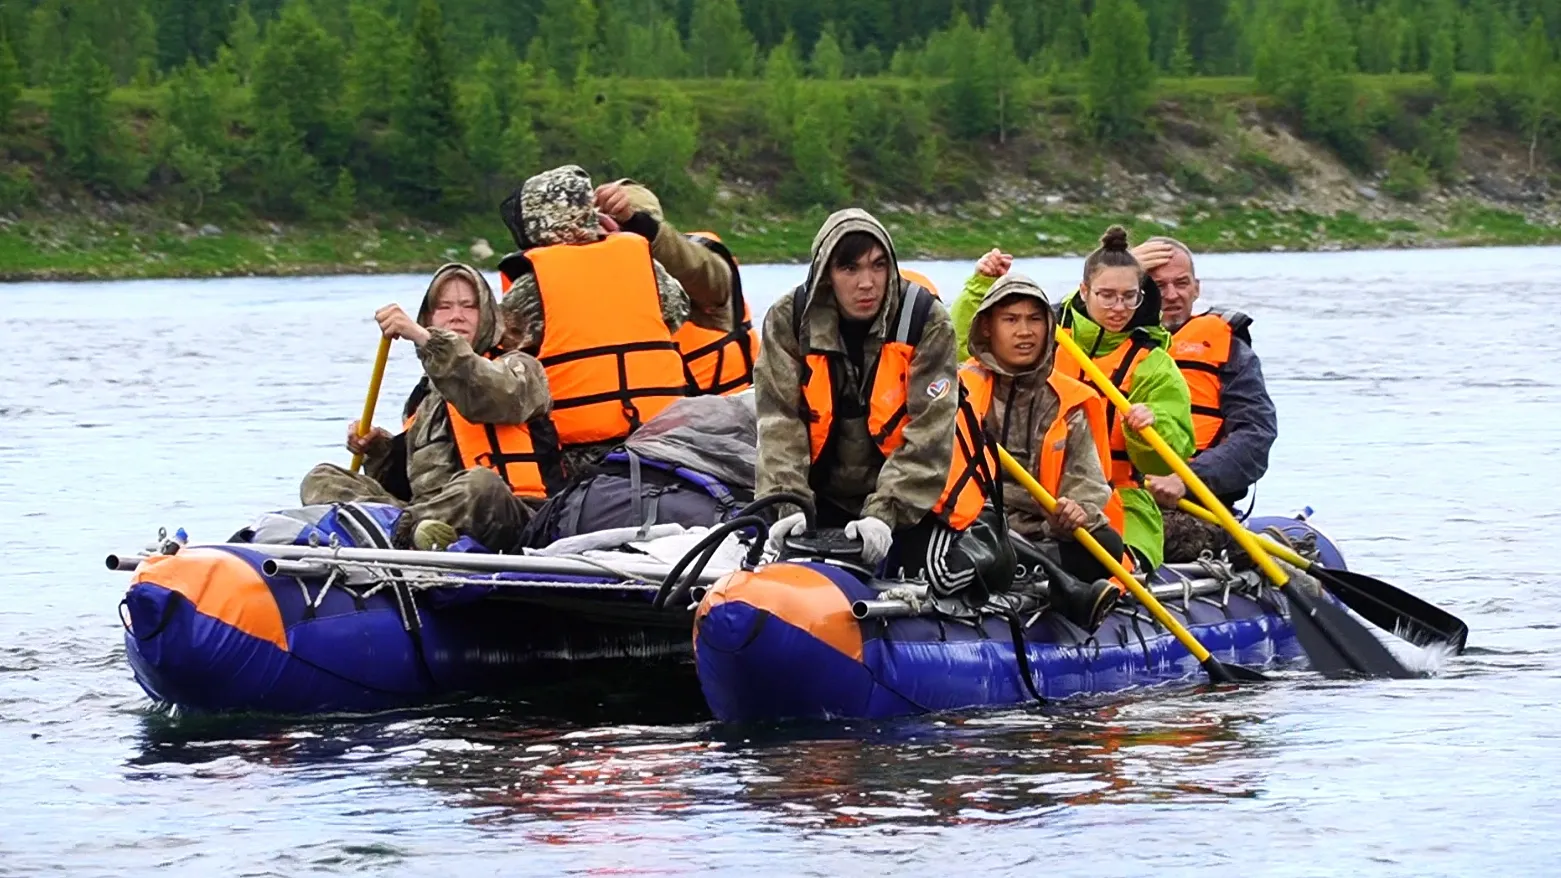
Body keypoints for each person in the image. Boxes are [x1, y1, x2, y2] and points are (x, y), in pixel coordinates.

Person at [753, 209, 1007, 600]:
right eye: (849, 269)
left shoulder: (927, 321)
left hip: (913, 503)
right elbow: (778, 424)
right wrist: (787, 507)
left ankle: (989, 543)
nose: (866, 283)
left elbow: (929, 435)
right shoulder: (788, 321)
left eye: (878, 265)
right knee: (769, 567)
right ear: (825, 273)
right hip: (825, 498)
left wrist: (883, 514)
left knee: (940, 578)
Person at [300, 264, 559, 552]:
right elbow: (403, 486)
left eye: (468, 306)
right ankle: (402, 533)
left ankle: (392, 536)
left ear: (487, 315)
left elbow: (493, 397)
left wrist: (426, 340)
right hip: (427, 518)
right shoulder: (422, 398)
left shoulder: (521, 367)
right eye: (444, 307)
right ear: (430, 317)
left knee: (481, 484)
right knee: (321, 479)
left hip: (512, 515)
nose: (456, 316)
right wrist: (379, 450)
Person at [494, 164, 702, 476]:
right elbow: (678, 311)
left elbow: (498, 342)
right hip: (665, 436)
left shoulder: (534, 283)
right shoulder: (642, 262)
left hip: (581, 454)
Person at [958, 263, 1126, 628]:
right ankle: (1042, 582)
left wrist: (1075, 511)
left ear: (1048, 328)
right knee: (974, 537)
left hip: (1045, 534)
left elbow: (1086, 480)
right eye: (1011, 320)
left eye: (1034, 320)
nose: (1024, 332)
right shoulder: (959, 391)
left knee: (1106, 545)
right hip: (977, 526)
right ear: (987, 327)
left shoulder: (1069, 399)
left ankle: (1039, 578)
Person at [1052, 226, 1196, 571]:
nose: (1119, 308)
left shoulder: (1154, 363)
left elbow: (1167, 458)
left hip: (1123, 501)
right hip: (1043, 496)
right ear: (1084, 292)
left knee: (1114, 567)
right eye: (1107, 295)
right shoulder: (1048, 339)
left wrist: (1151, 425)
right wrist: (978, 288)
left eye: (1129, 296)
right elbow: (972, 347)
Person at [1131, 237, 1279, 563]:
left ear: (1196, 288)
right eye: (1157, 286)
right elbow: (1049, 326)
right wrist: (1117, 267)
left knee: (1149, 537)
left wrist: (1188, 480)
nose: (1171, 295)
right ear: (1135, 292)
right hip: (1115, 498)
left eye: (1181, 284)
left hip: (1196, 506)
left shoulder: (1229, 351)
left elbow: (1256, 436)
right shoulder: (1100, 343)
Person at [594, 178, 759, 396]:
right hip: (652, 418)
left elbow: (699, 271)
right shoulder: (602, 284)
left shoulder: (701, 271)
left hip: (725, 415)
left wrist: (638, 225)